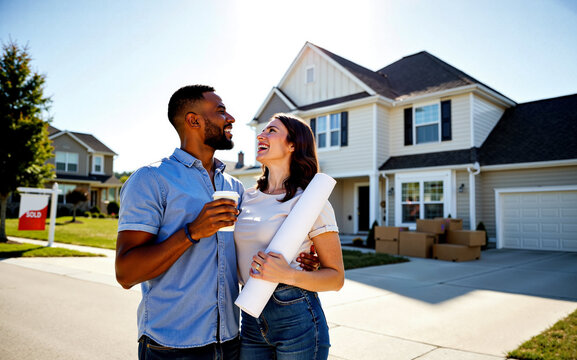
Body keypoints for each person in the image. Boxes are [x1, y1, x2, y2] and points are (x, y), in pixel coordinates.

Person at [115, 85, 319, 360]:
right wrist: (192, 232)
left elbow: (251, 246)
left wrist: (302, 261)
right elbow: (126, 274)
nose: (231, 118)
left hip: (232, 344)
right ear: (194, 120)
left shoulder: (235, 187)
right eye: (221, 111)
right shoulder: (151, 180)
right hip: (173, 348)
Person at [234, 113, 345, 360]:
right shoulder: (246, 198)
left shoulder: (311, 201)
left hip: (296, 316)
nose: (261, 135)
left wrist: (288, 274)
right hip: (251, 316)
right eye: (262, 131)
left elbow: (336, 278)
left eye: (272, 130)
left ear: (293, 145)